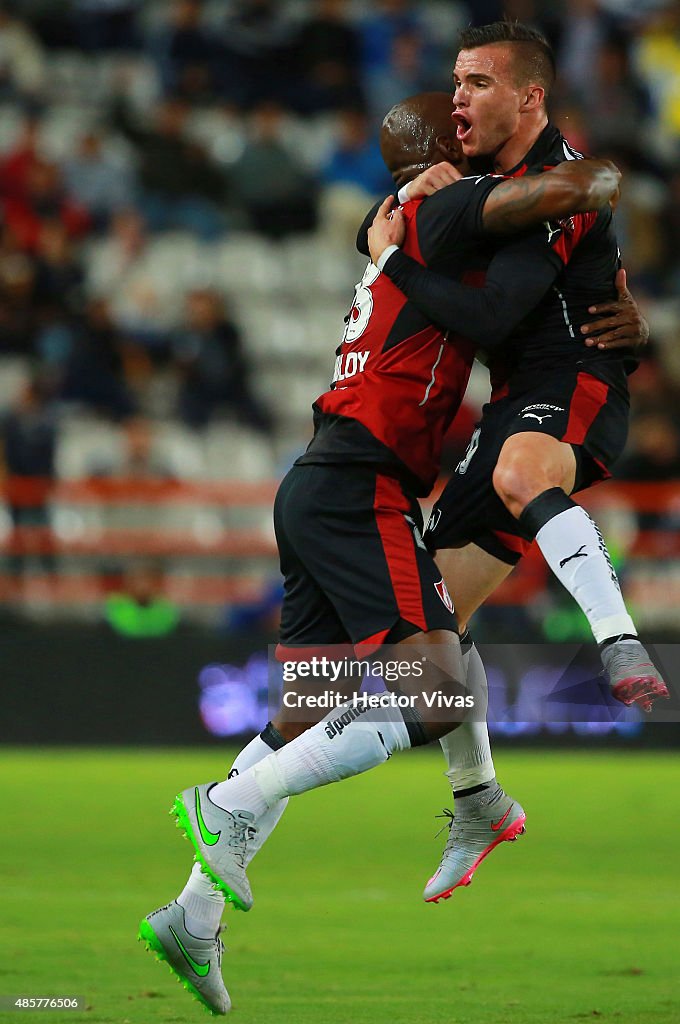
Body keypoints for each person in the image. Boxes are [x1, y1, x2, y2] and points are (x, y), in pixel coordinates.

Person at [139, 92, 625, 1014]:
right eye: (466, 121)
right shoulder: (445, 211)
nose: (476, 124)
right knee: (437, 690)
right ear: (447, 160)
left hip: (318, 480)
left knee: (304, 711)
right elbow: (549, 219)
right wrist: (593, 239)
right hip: (362, 482)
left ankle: (191, 918)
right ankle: (223, 806)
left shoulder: (401, 215)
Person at [363, 22, 669, 902]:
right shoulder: (494, 182)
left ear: (530, 96)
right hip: (511, 406)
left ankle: (619, 641)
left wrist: (392, 256)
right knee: (430, 623)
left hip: (576, 383)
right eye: (453, 81)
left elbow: (493, 320)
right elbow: (380, 228)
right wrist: (391, 220)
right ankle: (477, 799)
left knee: (519, 473)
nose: (458, 96)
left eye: (479, 82)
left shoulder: (558, 186)